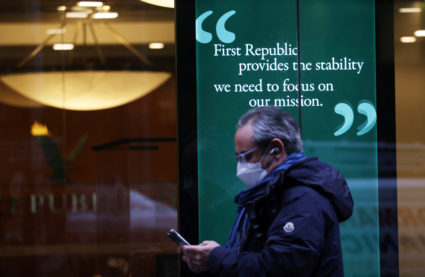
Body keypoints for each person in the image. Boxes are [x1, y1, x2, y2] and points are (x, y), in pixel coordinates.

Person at [180, 106, 354, 276]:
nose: (240, 167)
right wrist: (212, 260)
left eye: (247, 156)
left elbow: (280, 268)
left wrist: (217, 258)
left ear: (276, 150)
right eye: (238, 158)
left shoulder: (303, 199)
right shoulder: (271, 194)